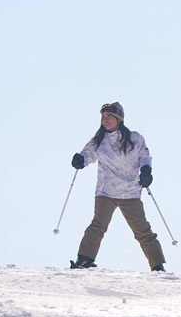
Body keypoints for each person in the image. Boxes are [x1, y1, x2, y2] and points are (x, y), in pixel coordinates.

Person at [70, 102, 166, 271]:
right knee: (98, 225)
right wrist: (80, 160)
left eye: (109, 116)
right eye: (103, 117)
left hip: (130, 192)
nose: (105, 120)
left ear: (119, 119)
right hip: (106, 191)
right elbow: (88, 154)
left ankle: (157, 266)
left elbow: (144, 156)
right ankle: (84, 259)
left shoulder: (135, 138)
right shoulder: (99, 140)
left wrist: (146, 171)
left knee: (142, 230)